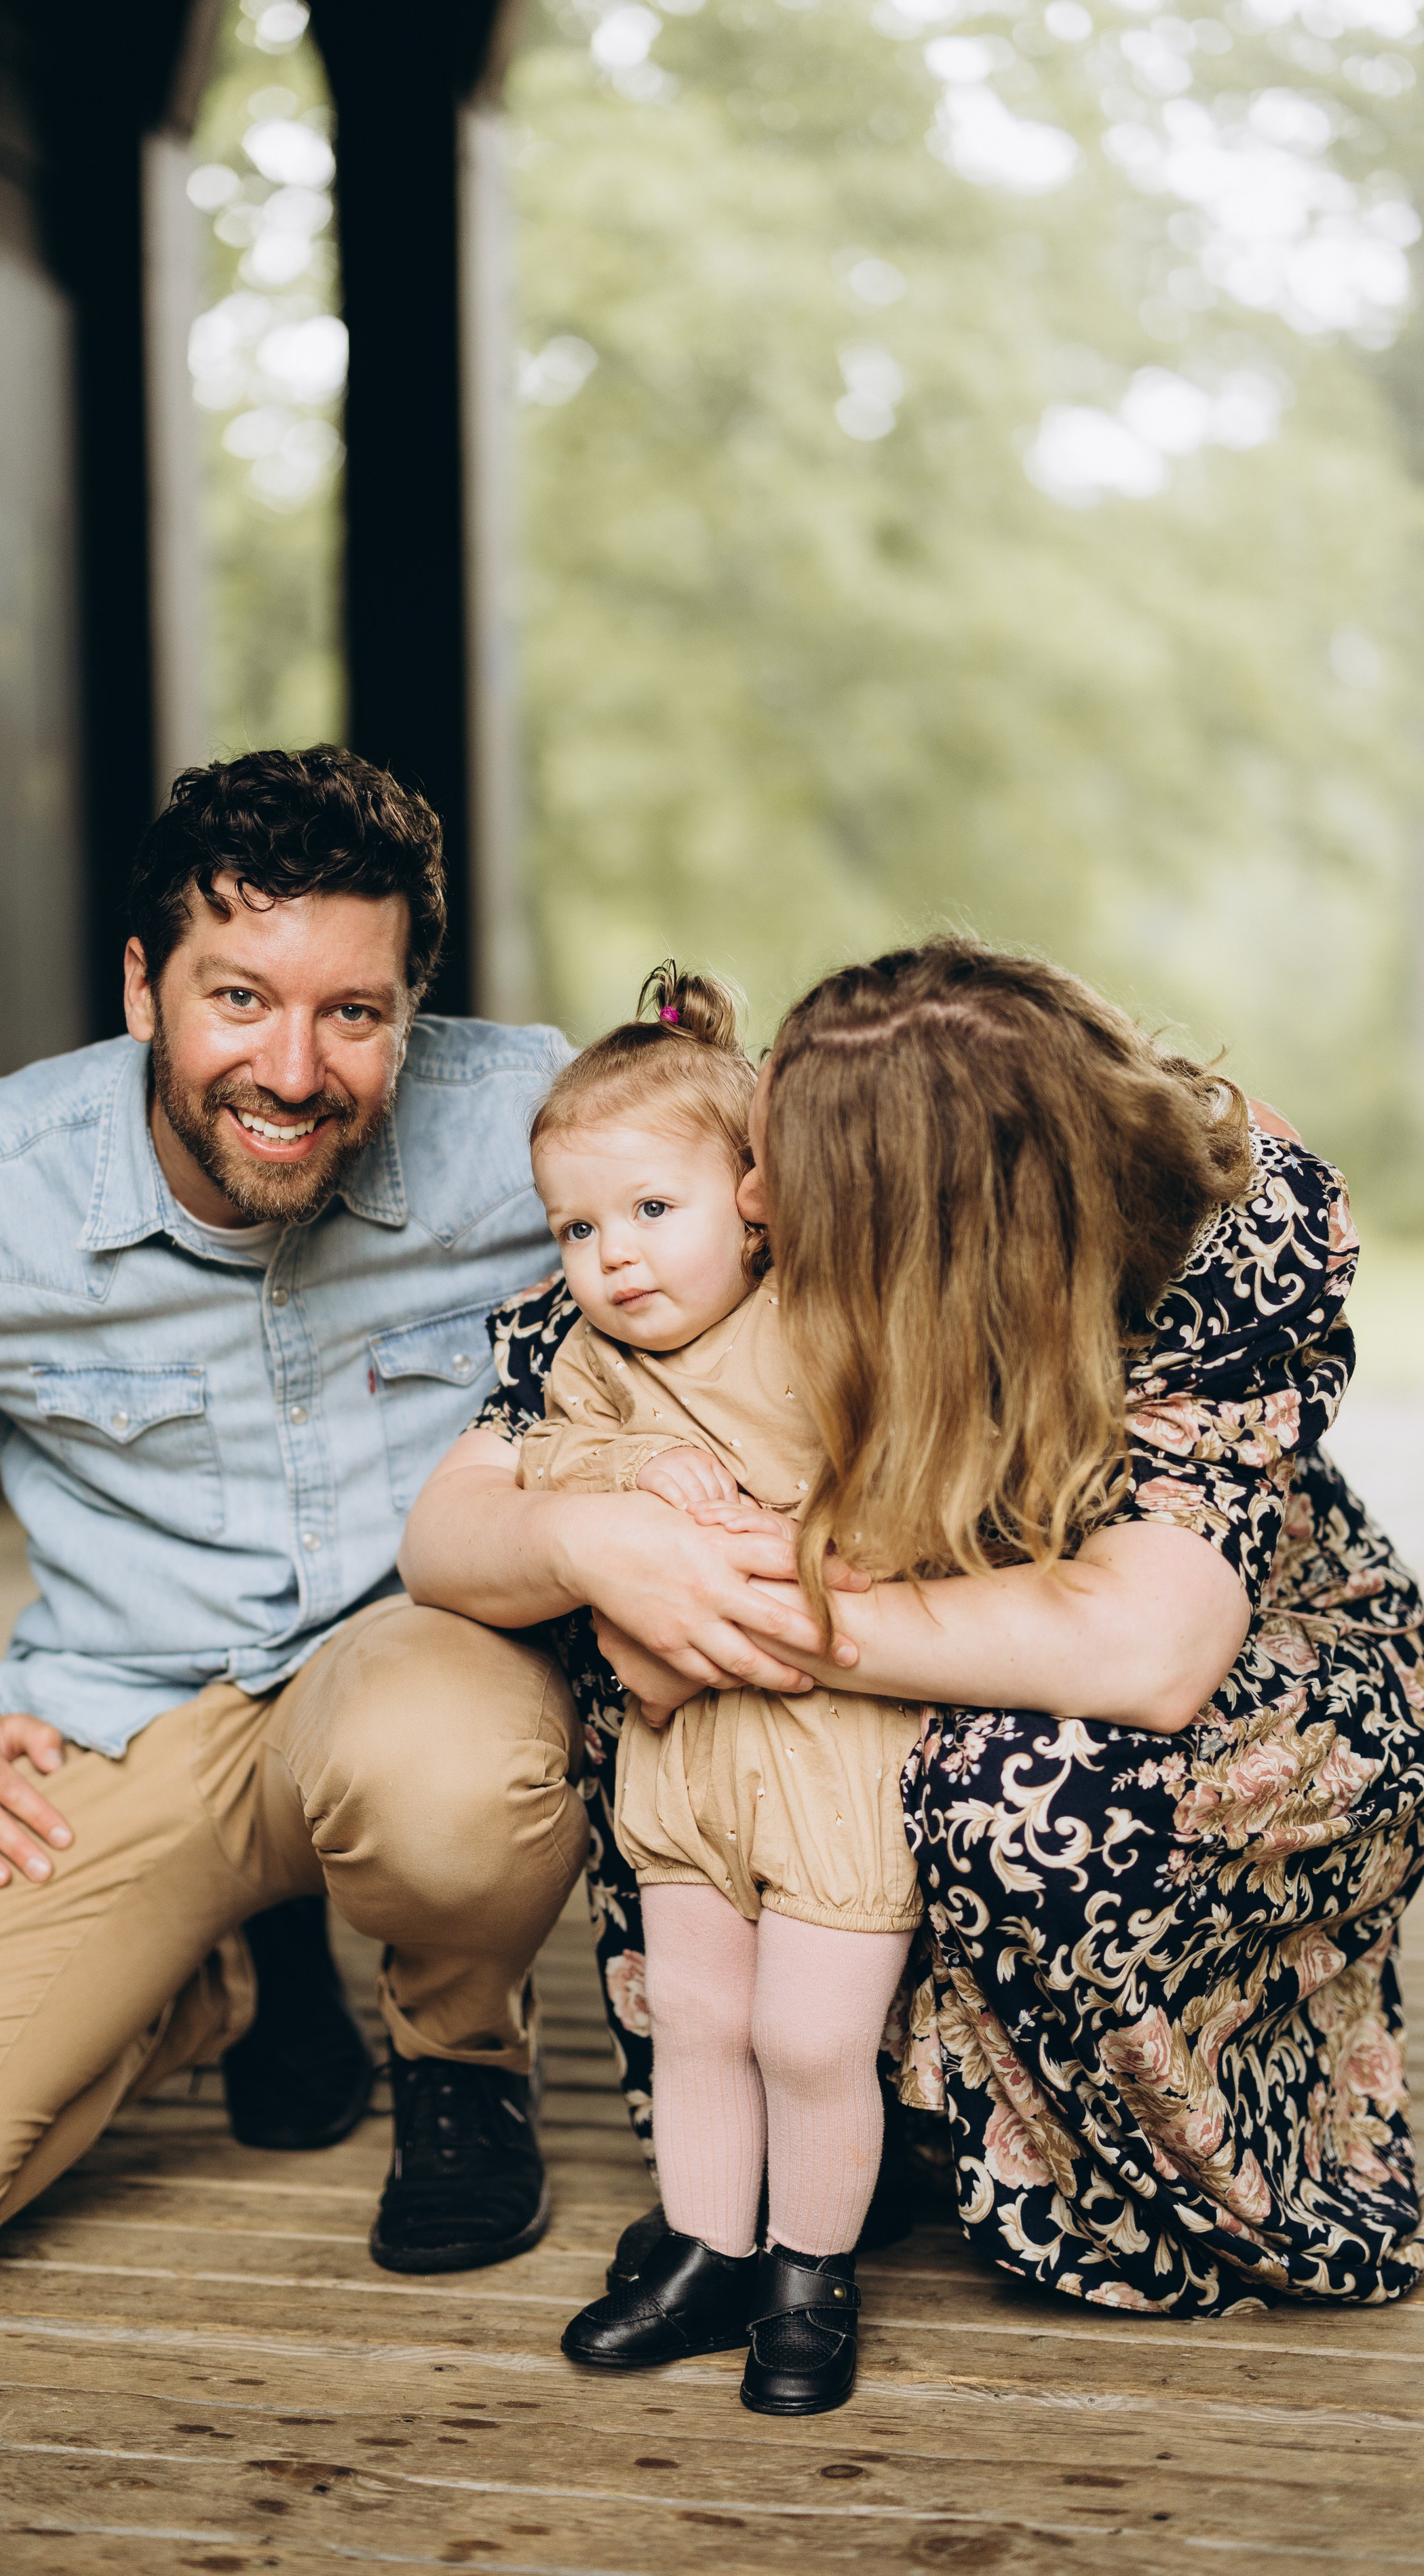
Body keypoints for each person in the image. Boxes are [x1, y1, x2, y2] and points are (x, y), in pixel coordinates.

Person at [402, 938, 1424, 2318]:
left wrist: (719, 1602)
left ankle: (1090, 2155)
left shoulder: (1217, 1226)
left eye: (778, 1177)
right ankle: (806, 2143)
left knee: (1010, 1788)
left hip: (1242, 1647)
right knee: (651, 1657)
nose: (747, 1201)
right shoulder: (735, 1219)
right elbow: (465, 1514)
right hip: (888, 1594)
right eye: (753, 1148)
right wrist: (593, 1546)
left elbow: (1144, 1647)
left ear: (937, 1219)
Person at [0, 746, 588, 2296]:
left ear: (411, 1015)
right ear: (141, 989)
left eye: (351, 1015)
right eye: (238, 998)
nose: (293, 1072)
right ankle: (215, 1980)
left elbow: (777, 1224)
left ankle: (458, 2054)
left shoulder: (528, 1126)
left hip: (411, 1675)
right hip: (127, 1718)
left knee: (441, 1776)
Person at [505, 968, 918, 2413]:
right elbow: (540, 1467)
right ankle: (703, 2249)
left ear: (753, 1198)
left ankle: (809, 2277)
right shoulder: (594, 1368)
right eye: (576, 1227)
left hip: (826, 1749)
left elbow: (909, 1477)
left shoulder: (821, 1325)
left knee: (808, 2034)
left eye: (649, 1211)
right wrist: (631, 1472)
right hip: (680, 1752)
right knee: (691, 2011)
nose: (611, 1258)